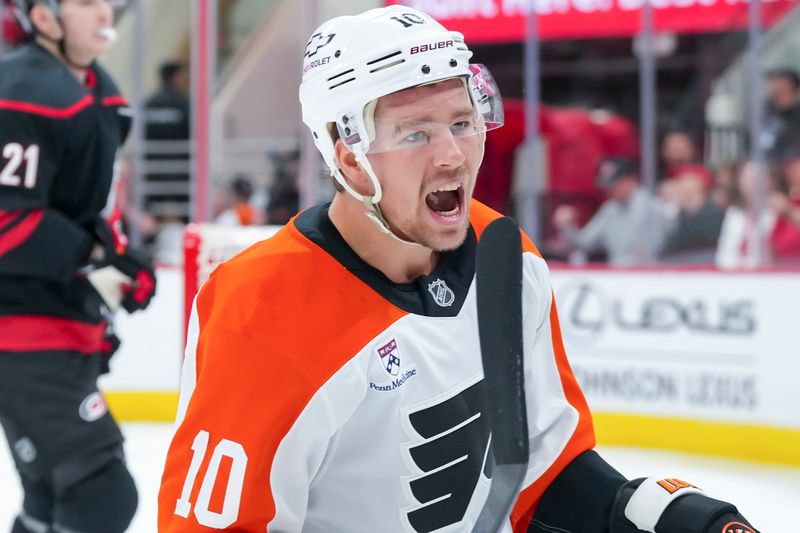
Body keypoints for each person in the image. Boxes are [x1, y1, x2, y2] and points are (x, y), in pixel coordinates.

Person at [158, 6, 758, 532]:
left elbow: (543, 477)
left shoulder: (504, 254)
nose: (453, 154)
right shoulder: (260, 310)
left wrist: (647, 513)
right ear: (349, 157)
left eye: (463, 122)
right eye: (414, 132)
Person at [0, 1, 156, 532]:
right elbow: (7, 220)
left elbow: (80, 210)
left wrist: (115, 264)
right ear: (43, 19)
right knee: (100, 493)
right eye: (85, 2)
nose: (104, 11)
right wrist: (97, 260)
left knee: (49, 498)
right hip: (18, 326)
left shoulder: (99, 92)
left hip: (57, 319)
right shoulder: (19, 92)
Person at [551, 157, 667, 265]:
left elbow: (651, 252)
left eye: (614, 184)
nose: (609, 190)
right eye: (608, 185)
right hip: (618, 276)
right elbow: (585, 243)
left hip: (649, 277)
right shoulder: (610, 208)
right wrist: (567, 226)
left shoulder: (651, 207)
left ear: (630, 181)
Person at [143, 59, 191, 222]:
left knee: (150, 211)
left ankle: (147, 241)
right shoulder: (183, 103)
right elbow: (191, 132)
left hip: (152, 169)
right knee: (187, 212)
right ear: (175, 77)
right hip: (180, 169)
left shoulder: (149, 104)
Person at [760, 68, 800, 166]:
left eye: (775, 80)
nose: (770, 84)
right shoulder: (766, 112)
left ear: (788, 84)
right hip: (767, 165)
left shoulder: (796, 115)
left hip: (791, 165)